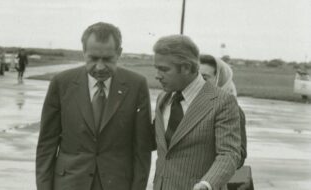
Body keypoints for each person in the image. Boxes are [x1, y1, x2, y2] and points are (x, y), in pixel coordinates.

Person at [36, 22, 154, 190]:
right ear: (83, 52)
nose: (99, 67)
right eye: (92, 58)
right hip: (69, 184)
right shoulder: (61, 83)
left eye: (107, 59)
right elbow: (46, 144)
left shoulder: (137, 85)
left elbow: (142, 150)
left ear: (119, 53)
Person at [152, 35, 241, 190]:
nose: (157, 75)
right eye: (157, 68)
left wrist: (207, 184)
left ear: (186, 68)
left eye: (164, 69)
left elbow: (229, 154)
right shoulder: (163, 98)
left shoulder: (222, 101)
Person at [199, 54, 247, 168]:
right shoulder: (186, 104)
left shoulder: (232, 110)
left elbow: (238, 155)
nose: (199, 82)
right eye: (196, 77)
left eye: (205, 78)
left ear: (219, 80)